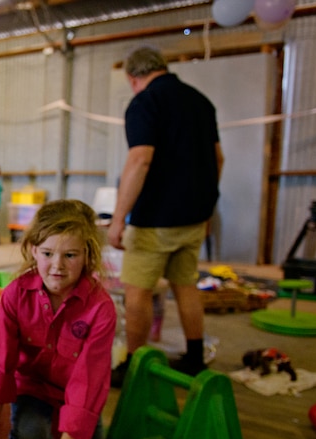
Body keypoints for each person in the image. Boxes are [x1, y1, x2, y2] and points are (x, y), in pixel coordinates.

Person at [0, 200, 116, 439]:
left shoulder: (100, 308)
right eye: (47, 253)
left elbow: (89, 379)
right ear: (32, 250)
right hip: (34, 388)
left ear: (87, 255)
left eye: (70, 255)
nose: (57, 265)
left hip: (77, 394)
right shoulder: (16, 294)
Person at [107, 46, 223, 380]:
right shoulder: (201, 102)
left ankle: (133, 364)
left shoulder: (145, 102)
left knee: (137, 290)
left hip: (155, 219)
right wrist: (206, 207)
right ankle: (195, 356)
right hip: (194, 217)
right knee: (185, 285)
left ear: (133, 78)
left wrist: (118, 219)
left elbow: (140, 159)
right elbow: (218, 159)